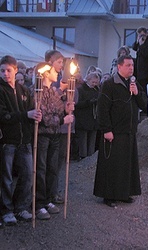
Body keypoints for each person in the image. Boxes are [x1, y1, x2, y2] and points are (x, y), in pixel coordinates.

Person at [93, 55, 148, 207]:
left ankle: (123, 193)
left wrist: (137, 93)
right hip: (114, 132)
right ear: (119, 67)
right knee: (112, 165)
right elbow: (103, 109)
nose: (131, 68)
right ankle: (109, 195)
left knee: (126, 166)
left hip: (129, 132)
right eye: (128, 65)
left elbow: (144, 104)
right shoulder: (109, 84)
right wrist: (106, 129)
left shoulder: (134, 83)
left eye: (132, 65)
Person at [0, 55, 42, 225]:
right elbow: (3, 115)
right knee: (7, 178)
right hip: (8, 140)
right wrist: (26, 115)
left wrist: (36, 115)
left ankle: (21, 207)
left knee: (27, 175)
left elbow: (31, 109)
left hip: (25, 140)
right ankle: (6, 210)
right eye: (2, 70)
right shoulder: (1, 90)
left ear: (15, 70)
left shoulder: (23, 90)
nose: (5, 74)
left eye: (8, 70)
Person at [35, 61, 74, 220]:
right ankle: (38, 203)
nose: (57, 73)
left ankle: (48, 199)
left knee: (52, 169)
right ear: (46, 73)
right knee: (41, 169)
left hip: (55, 135)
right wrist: (62, 121)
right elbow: (43, 116)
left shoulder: (52, 91)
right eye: (54, 71)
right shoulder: (38, 91)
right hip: (43, 135)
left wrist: (66, 109)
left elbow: (58, 110)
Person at [75, 71, 100, 160]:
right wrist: (88, 102)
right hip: (83, 118)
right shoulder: (81, 89)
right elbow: (77, 104)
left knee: (92, 140)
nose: (94, 84)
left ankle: (91, 156)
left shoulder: (97, 90)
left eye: (96, 82)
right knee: (83, 140)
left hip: (93, 119)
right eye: (93, 82)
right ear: (88, 80)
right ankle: (83, 156)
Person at [132, 27, 148, 93]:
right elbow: (134, 48)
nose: (142, 37)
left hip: (146, 70)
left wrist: (141, 45)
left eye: (143, 35)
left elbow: (147, 54)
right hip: (139, 70)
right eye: (140, 35)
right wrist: (138, 41)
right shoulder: (141, 41)